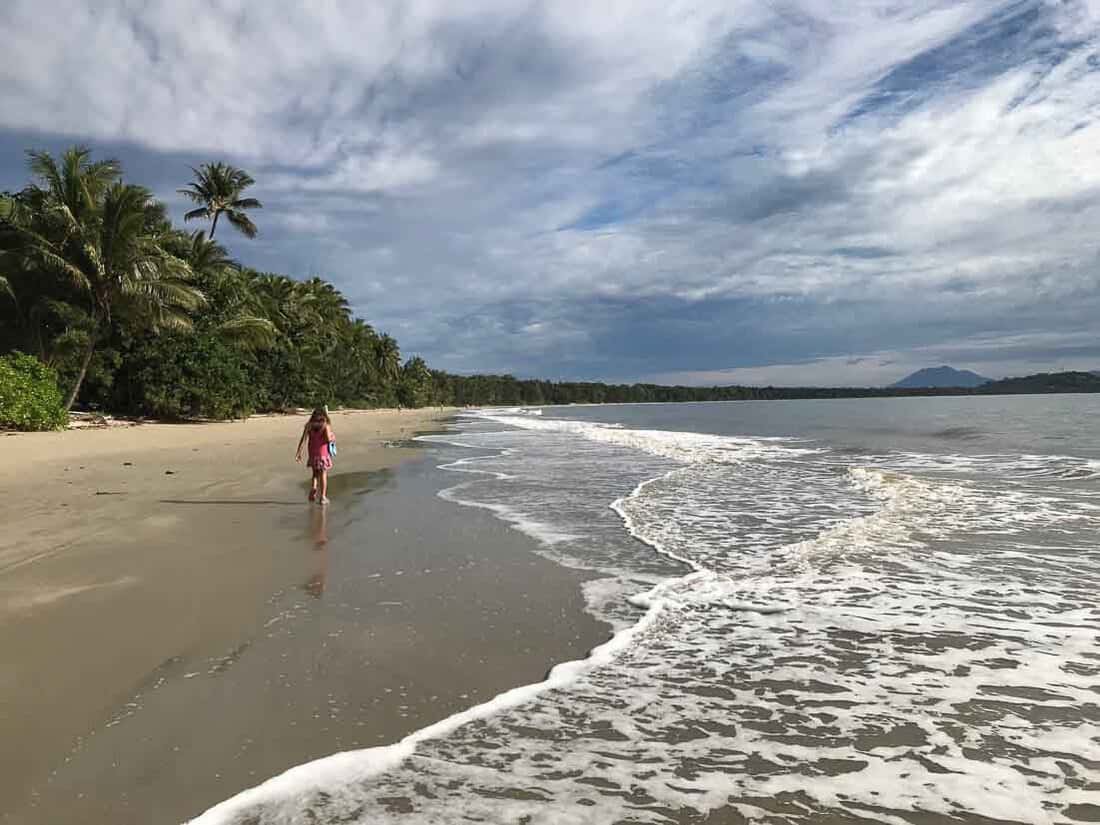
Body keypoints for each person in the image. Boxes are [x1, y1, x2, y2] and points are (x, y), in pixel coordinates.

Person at [296, 407, 335, 505]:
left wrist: (298, 453)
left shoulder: (308, 426)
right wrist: (332, 436)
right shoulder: (325, 426)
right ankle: (322, 497)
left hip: (312, 454)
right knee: (323, 474)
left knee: (315, 474)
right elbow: (328, 440)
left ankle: (313, 489)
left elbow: (303, 440)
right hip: (323, 454)